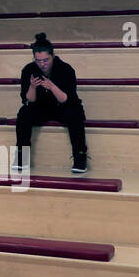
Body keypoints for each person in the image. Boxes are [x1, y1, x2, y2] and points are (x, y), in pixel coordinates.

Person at [13, 33, 88, 175]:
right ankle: (22, 156)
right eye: (38, 60)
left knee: (75, 114)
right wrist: (32, 87)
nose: (42, 64)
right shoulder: (28, 70)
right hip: (40, 107)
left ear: (52, 56)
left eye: (46, 60)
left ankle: (80, 156)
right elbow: (29, 100)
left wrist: (52, 87)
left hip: (63, 106)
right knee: (24, 112)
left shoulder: (66, 69)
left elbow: (66, 99)